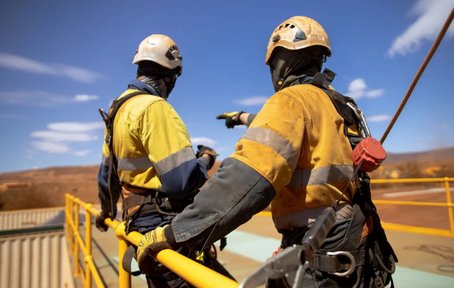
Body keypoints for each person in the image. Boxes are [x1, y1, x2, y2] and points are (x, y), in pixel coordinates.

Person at [135, 18, 397, 288]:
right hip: (357, 244)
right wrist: (240, 117)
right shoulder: (341, 105)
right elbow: (299, 129)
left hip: (319, 254)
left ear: (280, 61)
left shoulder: (290, 100)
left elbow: (245, 181)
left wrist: (176, 233)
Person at [94, 34, 232, 288]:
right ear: (171, 75)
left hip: (138, 223)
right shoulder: (154, 108)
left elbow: (106, 174)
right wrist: (205, 159)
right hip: (164, 228)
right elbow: (182, 181)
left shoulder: (117, 110)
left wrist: (105, 212)